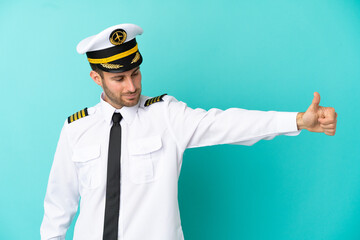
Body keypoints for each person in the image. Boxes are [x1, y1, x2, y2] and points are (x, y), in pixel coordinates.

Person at [40, 23, 337, 240]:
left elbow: (226, 124)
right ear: (96, 78)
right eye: (119, 78)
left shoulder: (165, 115)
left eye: (135, 73)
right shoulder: (75, 129)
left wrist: (298, 120)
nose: (132, 86)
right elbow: (58, 208)